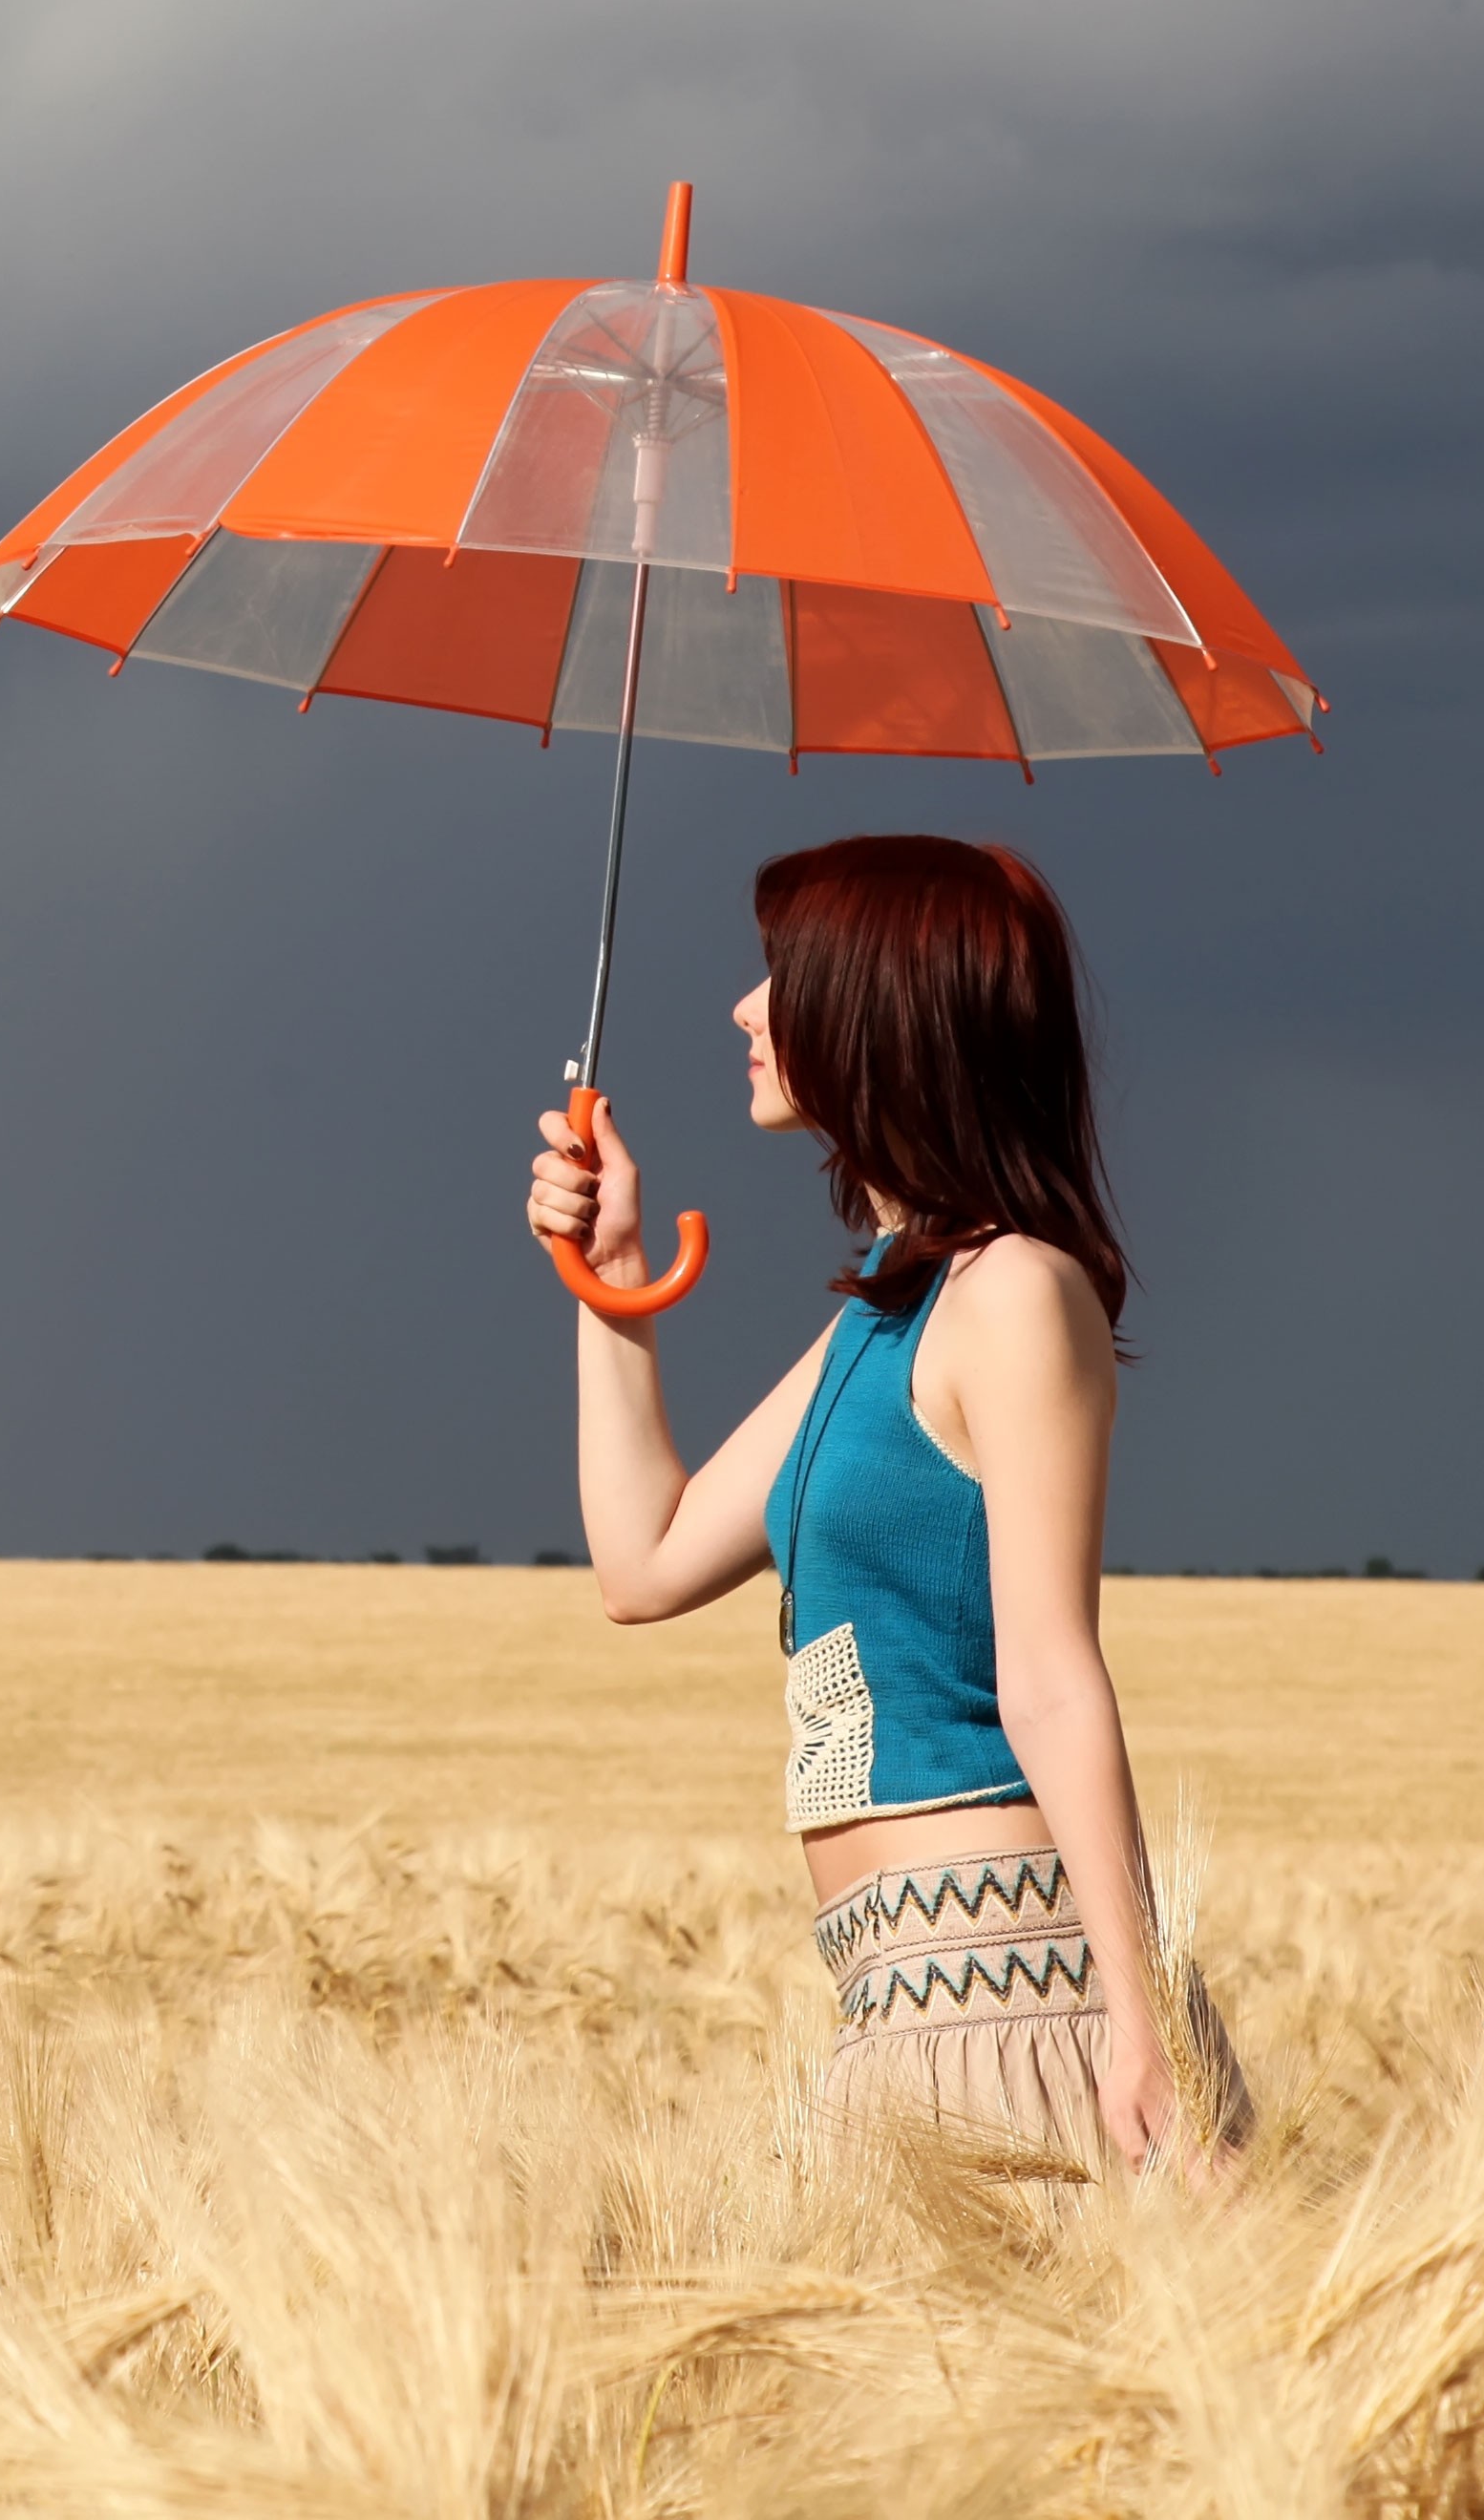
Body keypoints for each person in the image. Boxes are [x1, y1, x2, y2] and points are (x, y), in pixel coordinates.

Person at [527, 832, 1243, 2180]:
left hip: (1027, 2004)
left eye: (780, 975)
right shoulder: (892, 1307)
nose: (745, 1007)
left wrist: (1139, 2025)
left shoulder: (1015, 1295)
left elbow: (1050, 1676)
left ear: (881, 1011)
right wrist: (609, 1280)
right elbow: (646, 1563)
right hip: (891, 2012)